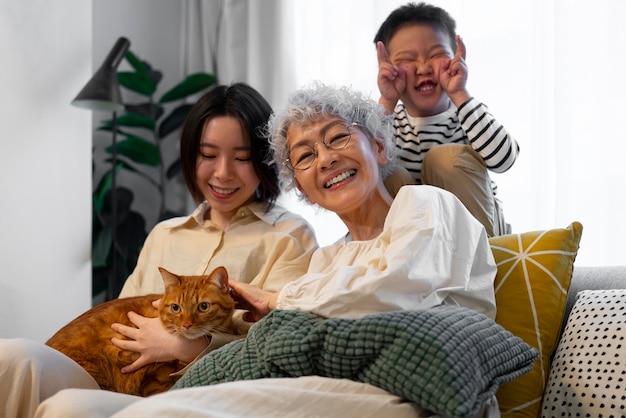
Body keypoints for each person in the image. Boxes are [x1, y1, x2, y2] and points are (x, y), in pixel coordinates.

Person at [34, 83, 499, 418]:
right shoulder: (330, 258)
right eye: (305, 156)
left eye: (338, 137)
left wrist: (277, 302)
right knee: (55, 393)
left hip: (418, 389)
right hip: (328, 386)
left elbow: (397, 287)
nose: (326, 158)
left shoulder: (426, 205)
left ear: (378, 146)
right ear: (302, 187)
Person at [0, 82, 318, 418]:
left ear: (265, 159)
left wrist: (190, 346)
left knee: (69, 408)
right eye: (208, 155)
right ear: (190, 155)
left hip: (203, 393)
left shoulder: (289, 236)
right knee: (12, 357)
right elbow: (120, 322)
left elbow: (284, 344)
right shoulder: (164, 234)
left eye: (242, 158)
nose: (223, 173)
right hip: (124, 378)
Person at [375, 2, 520, 237]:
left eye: (436, 55)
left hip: (483, 236)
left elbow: (505, 160)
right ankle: (410, 266)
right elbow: (360, 170)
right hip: (422, 243)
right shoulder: (388, 123)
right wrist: (387, 101)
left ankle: (482, 265)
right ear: (386, 67)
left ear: (456, 58)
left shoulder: (468, 113)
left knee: (444, 160)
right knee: (386, 173)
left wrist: (460, 94)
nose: (423, 67)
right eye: (407, 60)